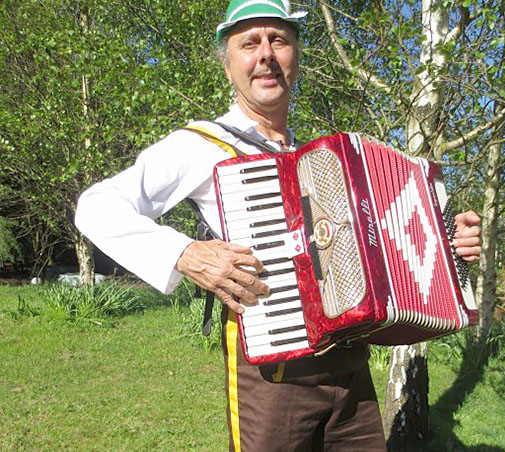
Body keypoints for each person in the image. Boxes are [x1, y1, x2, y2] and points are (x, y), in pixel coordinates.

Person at [75, 1, 482, 450]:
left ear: (296, 58)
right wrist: (184, 254)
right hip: (273, 376)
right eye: (249, 43)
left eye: (279, 40)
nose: (266, 54)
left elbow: (385, 250)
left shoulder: (321, 162)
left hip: (350, 372)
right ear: (228, 66)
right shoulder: (201, 145)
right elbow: (96, 206)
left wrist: (447, 243)